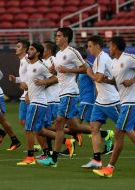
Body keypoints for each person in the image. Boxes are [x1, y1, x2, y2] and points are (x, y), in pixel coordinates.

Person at [93, 36, 135, 177]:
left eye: (110, 46)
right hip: (125, 102)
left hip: (131, 102)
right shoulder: (114, 63)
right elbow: (117, 81)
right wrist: (108, 81)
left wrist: (133, 80)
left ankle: (111, 168)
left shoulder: (129, 58)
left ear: (115, 46)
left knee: (119, 133)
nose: (108, 49)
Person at [37, 27, 91, 167]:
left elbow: (85, 68)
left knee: (59, 123)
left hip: (70, 92)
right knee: (74, 127)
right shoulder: (59, 54)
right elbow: (60, 74)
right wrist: (54, 71)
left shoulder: (72, 52)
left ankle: (53, 159)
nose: (56, 38)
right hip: (62, 93)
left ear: (66, 38)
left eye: (59, 36)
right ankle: (103, 134)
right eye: (56, 35)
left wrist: (68, 70)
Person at [60, 46, 114, 156]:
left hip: (87, 101)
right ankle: (106, 136)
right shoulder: (80, 67)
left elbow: (95, 82)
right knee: (91, 127)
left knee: (74, 126)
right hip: (83, 100)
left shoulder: (88, 66)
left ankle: (71, 148)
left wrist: (97, 98)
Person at [81, 35, 121, 169]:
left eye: (90, 45)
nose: (88, 48)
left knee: (130, 128)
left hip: (111, 100)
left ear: (98, 45)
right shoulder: (99, 58)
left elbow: (97, 78)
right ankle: (97, 160)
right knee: (94, 127)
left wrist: (89, 72)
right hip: (101, 101)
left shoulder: (102, 58)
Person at [9, 40, 30, 127]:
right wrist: (16, 79)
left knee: (30, 124)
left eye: (18, 47)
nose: (16, 48)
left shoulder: (28, 59)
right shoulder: (23, 60)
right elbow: (25, 78)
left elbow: (35, 76)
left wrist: (28, 92)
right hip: (25, 95)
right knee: (23, 122)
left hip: (30, 95)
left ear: (24, 49)